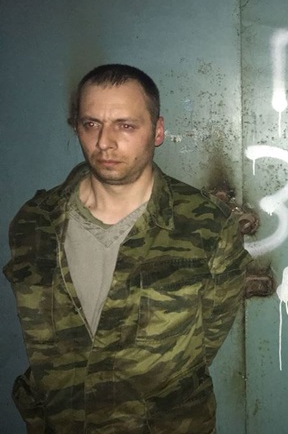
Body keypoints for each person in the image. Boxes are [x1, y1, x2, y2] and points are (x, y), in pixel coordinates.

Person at [3, 64, 251, 433]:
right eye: (91, 124)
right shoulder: (35, 222)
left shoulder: (206, 225)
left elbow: (207, 340)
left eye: (126, 125)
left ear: (158, 131)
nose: (104, 142)